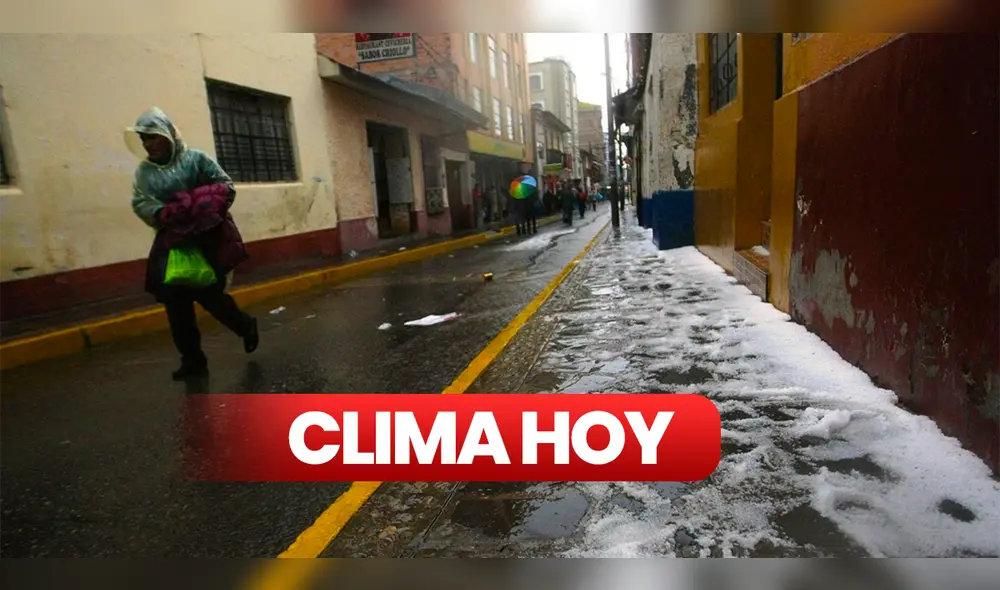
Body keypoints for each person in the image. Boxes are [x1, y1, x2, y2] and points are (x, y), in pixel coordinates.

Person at [126, 107, 259, 381]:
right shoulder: (145, 172)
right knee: (176, 305)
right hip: (172, 242)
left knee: (211, 297)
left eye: (152, 137)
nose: (148, 144)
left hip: (206, 239)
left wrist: (196, 204)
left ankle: (245, 326)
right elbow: (141, 202)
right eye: (144, 140)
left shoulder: (195, 160)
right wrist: (164, 213)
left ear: (168, 136)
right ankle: (192, 361)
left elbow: (225, 186)